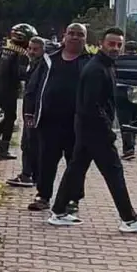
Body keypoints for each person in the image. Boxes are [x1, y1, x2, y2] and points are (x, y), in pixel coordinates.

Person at [48, 27, 137, 232]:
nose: (115, 48)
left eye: (118, 44)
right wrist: (107, 130)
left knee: (75, 169)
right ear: (101, 44)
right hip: (95, 130)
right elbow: (91, 105)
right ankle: (129, 219)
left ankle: (59, 211)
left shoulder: (105, 66)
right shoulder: (96, 69)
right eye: (111, 44)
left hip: (88, 129)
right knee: (114, 172)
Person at [29, 23, 91, 212]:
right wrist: (29, 112)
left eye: (79, 34)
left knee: (76, 164)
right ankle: (43, 196)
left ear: (85, 39)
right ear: (64, 36)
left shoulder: (90, 62)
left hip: (77, 124)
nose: (74, 37)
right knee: (46, 161)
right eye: (71, 33)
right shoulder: (49, 60)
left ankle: (72, 200)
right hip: (49, 121)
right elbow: (33, 86)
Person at [0, 23, 36, 160]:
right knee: (10, 118)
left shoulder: (7, 48)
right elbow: (20, 73)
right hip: (8, 89)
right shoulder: (21, 53)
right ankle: (3, 149)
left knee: (9, 117)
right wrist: (34, 74)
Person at [7, 36, 46, 188]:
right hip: (29, 109)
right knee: (30, 143)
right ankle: (32, 175)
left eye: (35, 49)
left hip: (34, 111)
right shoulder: (33, 64)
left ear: (43, 50)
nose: (31, 52)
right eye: (30, 48)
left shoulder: (41, 66)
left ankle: (27, 174)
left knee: (29, 143)